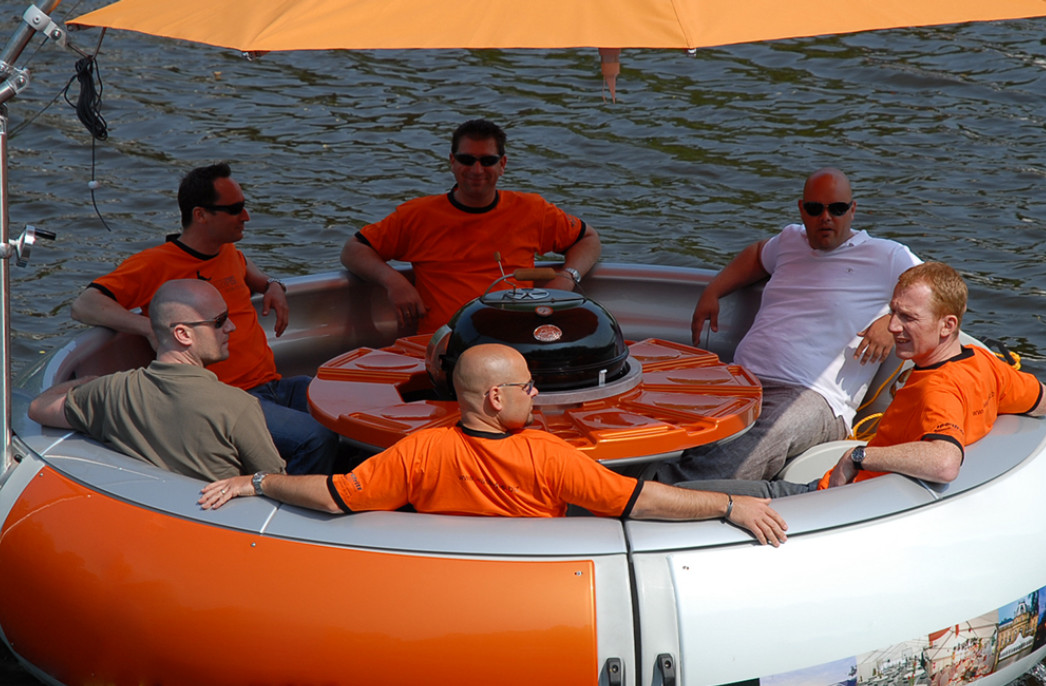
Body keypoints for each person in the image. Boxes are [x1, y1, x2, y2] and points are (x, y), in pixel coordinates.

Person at [199, 344, 790, 547]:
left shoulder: (419, 451)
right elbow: (643, 502)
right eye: (529, 386)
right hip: (545, 566)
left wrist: (255, 482)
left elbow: (333, 496)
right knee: (682, 486)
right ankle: (800, 492)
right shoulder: (549, 455)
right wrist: (728, 508)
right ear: (494, 399)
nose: (537, 394)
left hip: (465, 566)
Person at [680, 262, 1046, 498]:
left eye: (908, 318)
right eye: (893, 312)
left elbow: (945, 461)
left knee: (686, 495)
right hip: (861, 492)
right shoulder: (983, 363)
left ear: (948, 326)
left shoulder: (937, 388)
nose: (893, 327)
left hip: (832, 500)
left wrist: (859, 456)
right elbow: (1045, 401)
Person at [655, 167, 921, 484]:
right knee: (668, 411)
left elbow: (943, 289)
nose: (826, 217)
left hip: (815, 395)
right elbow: (756, 255)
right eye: (815, 209)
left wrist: (895, 322)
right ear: (801, 209)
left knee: (762, 437)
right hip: (743, 377)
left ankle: (666, 494)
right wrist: (713, 291)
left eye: (836, 209)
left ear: (853, 210)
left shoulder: (887, 255)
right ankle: (643, 479)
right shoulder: (789, 241)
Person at [70, 162, 338, 475]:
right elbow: (85, 304)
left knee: (344, 409)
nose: (246, 216)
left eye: (244, 206)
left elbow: (249, 271)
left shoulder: (227, 251)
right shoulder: (155, 264)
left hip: (274, 385)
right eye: (235, 209)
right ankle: (290, 510)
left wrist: (272, 286)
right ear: (200, 215)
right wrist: (148, 327)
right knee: (316, 437)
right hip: (230, 398)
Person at [341, 119, 602, 334]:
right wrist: (394, 281)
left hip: (516, 338)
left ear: (503, 165)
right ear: (452, 162)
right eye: (467, 160)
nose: (477, 170)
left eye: (487, 161)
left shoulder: (532, 210)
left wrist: (568, 278)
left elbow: (588, 239)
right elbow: (353, 250)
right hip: (444, 343)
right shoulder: (417, 215)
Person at [29, 279, 286, 482]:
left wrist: (86, 380)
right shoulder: (239, 407)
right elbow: (276, 484)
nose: (231, 326)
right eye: (219, 321)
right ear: (183, 334)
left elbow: (38, 407)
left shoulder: (111, 392)